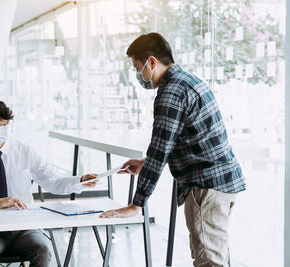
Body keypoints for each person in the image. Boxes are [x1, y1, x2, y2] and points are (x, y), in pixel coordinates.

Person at [100, 33, 246, 267]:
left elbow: (160, 149)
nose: (140, 76)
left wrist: (136, 204)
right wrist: (146, 163)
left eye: (139, 68)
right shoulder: (190, 81)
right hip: (222, 183)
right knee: (216, 257)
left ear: (152, 62)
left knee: (209, 262)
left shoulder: (170, 93)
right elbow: (183, 139)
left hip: (205, 188)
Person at [0, 98, 97, 267]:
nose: (6, 129)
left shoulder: (24, 150)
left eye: (7, 123)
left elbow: (52, 181)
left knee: (43, 250)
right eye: (0, 125)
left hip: (24, 227)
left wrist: (80, 181)